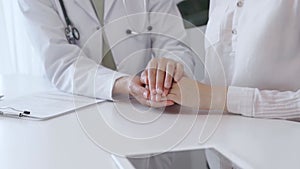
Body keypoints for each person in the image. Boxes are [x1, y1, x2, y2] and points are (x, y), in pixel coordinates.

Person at [18, 0, 195, 107]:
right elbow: (61, 64)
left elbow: (174, 44)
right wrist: (124, 84)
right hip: (75, 108)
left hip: (148, 110)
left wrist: (167, 70)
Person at [164, 0, 300, 120]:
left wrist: (215, 98)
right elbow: (225, 78)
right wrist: (168, 87)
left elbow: (211, 96)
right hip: (218, 139)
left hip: (281, 143)